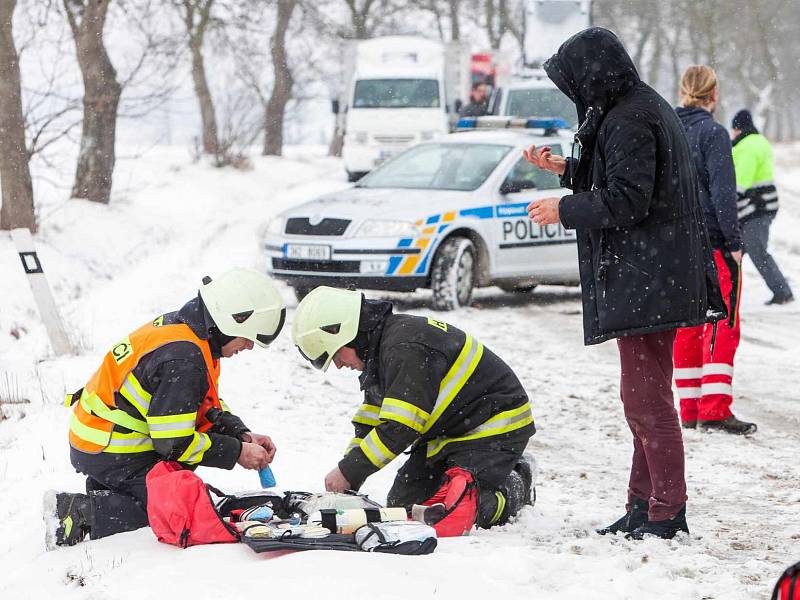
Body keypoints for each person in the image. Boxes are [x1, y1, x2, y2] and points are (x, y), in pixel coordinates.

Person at [523, 28, 725, 540]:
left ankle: (665, 513)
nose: (574, 93)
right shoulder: (634, 107)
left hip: (648, 275)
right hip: (654, 273)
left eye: (574, 81)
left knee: (645, 401)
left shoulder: (630, 116)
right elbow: (626, 179)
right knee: (646, 396)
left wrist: (563, 209)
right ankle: (644, 506)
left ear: (593, 74)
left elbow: (628, 200)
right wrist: (567, 169)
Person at [45, 268, 286, 548]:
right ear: (232, 320)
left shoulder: (191, 334)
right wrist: (236, 453)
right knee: (174, 509)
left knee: (179, 482)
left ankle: (111, 489)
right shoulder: (185, 359)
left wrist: (240, 434)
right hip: (111, 447)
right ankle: (77, 514)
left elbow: (202, 404)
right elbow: (174, 444)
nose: (249, 346)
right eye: (248, 338)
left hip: (103, 440)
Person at [291, 286, 535, 532]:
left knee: (448, 514)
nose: (339, 365)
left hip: (491, 429)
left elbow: (400, 428)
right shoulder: (381, 351)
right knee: (406, 508)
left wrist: (348, 470)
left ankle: (516, 484)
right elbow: (371, 422)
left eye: (335, 355)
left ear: (345, 332)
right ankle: (465, 480)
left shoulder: (405, 348)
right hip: (447, 432)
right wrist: (350, 476)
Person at [672, 66, 756, 435]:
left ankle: (689, 406)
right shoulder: (714, 133)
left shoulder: (668, 129)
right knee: (722, 321)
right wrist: (734, 242)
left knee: (687, 323)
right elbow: (724, 194)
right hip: (712, 243)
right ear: (714, 95)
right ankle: (715, 407)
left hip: (676, 243)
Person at [731, 108, 794, 305]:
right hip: (763, 205)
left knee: (756, 249)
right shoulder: (759, 142)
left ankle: (782, 292)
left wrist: (732, 196)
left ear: (738, 128)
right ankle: (726, 293)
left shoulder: (746, 147)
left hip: (755, 207)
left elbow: (742, 179)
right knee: (737, 250)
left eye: (733, 129)